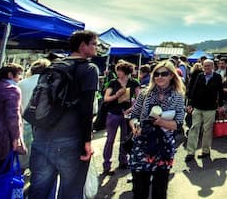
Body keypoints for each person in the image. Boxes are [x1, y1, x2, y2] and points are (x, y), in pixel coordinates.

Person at [29, 30, 100, 199]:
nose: (97, 48)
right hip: (70, 140)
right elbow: (86, 108)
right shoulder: (89, 69)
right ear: (83, 46)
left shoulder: (52, 67)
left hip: (41, 137)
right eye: (95, 44)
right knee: (71, 191)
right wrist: (87, 142)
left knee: (38, 190)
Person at [128, 60, 185, 199]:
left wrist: (161, 122)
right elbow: (133, 116)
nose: (159, 77)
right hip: (142, 145)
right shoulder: (144, 93)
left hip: (163, 147)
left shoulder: (177, 96)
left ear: (171, 75)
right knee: (139, 190)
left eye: (164, 74)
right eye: (156, 74)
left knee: (160, 191)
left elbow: (178, 123)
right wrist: (135, 126)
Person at [102, 60, 141, 175]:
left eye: (120, 70)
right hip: (113, 113)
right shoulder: (113, 82)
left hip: (127, 114)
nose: (118, 72)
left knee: (125, 138)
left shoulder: (134, 82)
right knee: (110, 139)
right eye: (117, 70)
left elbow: (139, 98)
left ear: (126, 72)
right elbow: (106, 98)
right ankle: (106, 165)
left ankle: (123, 161)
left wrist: (132, 108)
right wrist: (117, 95)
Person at [0, 63, 26, 180]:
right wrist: (17, 138)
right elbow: (13, 116)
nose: (20, 77)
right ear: (10, 75)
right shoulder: (12, 90)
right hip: (2, 137)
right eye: (19, 74)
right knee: (1, 174)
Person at [185, 59, 224, 161]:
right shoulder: (200, 76)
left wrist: (220, 105)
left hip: (210, 107)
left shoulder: (217, 77)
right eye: (205, 66)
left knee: (207, 130)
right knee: (194, 128)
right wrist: (190, 103)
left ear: (213, 67)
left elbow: (220, 91)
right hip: (198, 106)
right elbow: (194, 90)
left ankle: (206, 151)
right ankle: (190, 152)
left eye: (209, 66)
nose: (207, 68)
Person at [19, 58, 51, 169]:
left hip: (23, 121)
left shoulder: (21, 83)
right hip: (41, 122)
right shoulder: (48, 84)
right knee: (38, 152)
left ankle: (21, 173)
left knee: (23, 154)